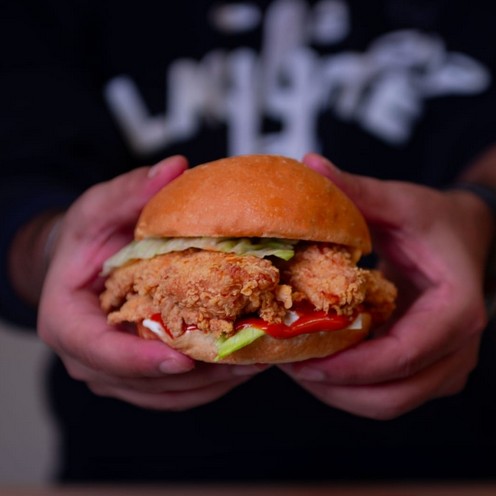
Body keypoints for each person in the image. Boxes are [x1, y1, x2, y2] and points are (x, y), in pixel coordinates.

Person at [2, 0, 496, 482]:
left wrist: (481, 215)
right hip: (135, 464)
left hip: (441, 457)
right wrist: (50, 245)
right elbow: (15, 173)